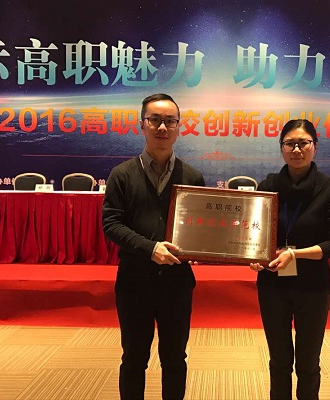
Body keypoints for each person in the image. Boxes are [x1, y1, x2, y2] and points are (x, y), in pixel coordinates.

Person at [102, 93, 205, 400]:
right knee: (134, 358)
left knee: (175, 359)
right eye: (155, 120)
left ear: (178, 127)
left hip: (177, 283)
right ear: (142, 125)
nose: (162, 127)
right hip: (135, 282)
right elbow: (112, 225)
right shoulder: (122, 175)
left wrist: (199, 248)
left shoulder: (192, 176)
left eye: (170, 121)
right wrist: (150, 248)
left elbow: (200, 226)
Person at [250, 119, 330, 400]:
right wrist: (254, 256)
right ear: (281, 148)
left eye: (303, 143)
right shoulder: (268, 185)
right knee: (279, 361)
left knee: (307, 363)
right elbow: (254, 232)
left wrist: (295, 254)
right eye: (289, 143)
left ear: (315, 147)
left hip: (312, 286)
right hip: (272, 284)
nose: (296, 149)